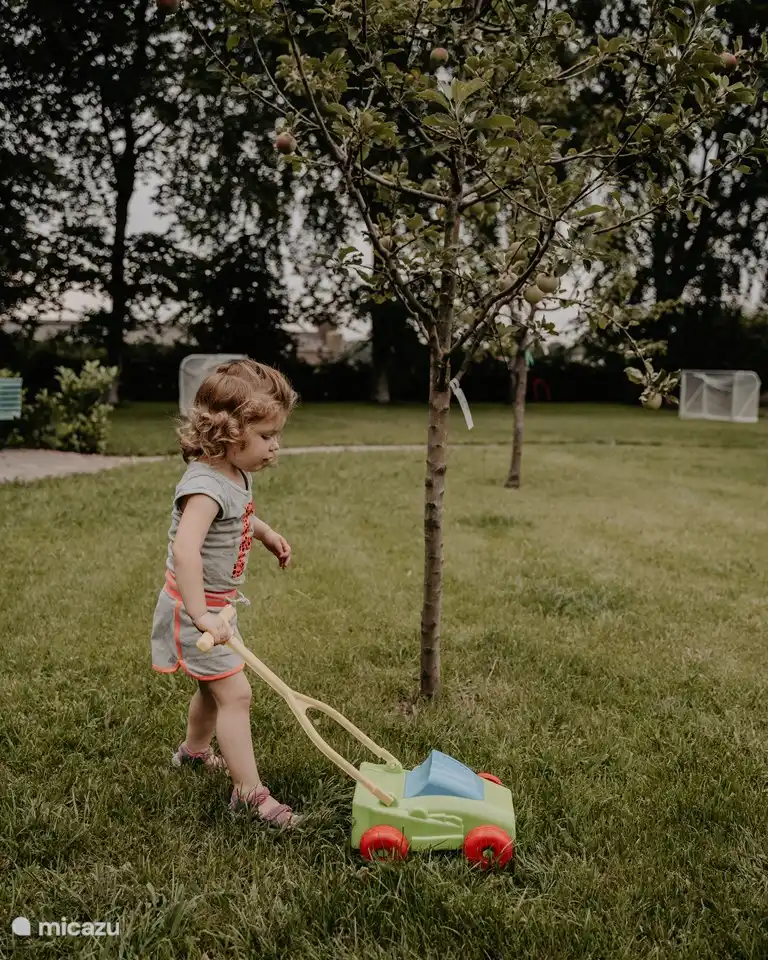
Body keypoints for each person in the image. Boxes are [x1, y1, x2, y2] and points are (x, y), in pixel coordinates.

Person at [150, 358, 301, 828]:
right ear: (227, 433)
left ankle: (194, 752)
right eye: (266, 435)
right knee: (235, 694)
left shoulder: (234, 474)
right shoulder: (203, 487)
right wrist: (200, 615)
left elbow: (238, 515)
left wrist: (264, 532)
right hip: (195, 609)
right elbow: (186, 549)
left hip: (217, 608)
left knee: (212, 688)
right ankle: (249, 794)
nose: (275, 446)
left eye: (277, 435)